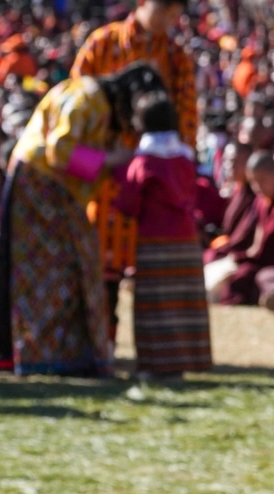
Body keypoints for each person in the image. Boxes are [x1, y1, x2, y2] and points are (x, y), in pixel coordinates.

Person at [0, 64, 166, 377]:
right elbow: (60, 150)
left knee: (71, 269)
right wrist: (112, 160)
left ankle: (69, 355)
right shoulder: (88, 96)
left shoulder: (92, 97)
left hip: (53, 190)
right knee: (50, 272)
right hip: (40, 187)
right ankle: (48, 355)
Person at [71, 0, 197, 327]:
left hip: (150, 184)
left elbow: (186, 126)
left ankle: (156, 355)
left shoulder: (176, 56)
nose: (170, 19)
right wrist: (100, 157)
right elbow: (76, 101)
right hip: (100, 176)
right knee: (100, 271)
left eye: (176, 13)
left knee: (153, 274)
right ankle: (101, 346)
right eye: (164, 9)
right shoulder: (102, 44)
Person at [113, 93, 211, 378]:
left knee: (154, 307)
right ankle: (183, 361)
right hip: (186, 241)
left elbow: (129, 204)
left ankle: (156, 364)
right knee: (182, 304)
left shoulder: (143, 162)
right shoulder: (185, 157)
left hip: (155, 242)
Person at [212, 152, 274, 306]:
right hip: (260, 260)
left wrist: (244, 257)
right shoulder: (261, 202)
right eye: (253, 182)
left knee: (245, 276)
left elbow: (270, 248)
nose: (258, 188)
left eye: (262, 181)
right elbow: (256, 243)